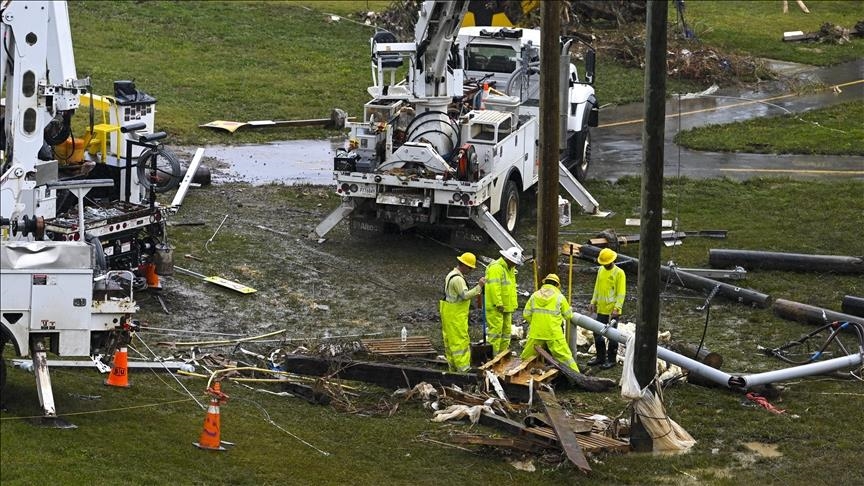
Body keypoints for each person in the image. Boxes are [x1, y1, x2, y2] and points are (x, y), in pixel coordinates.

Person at [520, 273, 579, 372]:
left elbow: (526, 314)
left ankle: (520, 372)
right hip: (553, 333)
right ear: (556, 285)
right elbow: (568, 315)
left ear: (545, 282)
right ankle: (576, 377)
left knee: (527, 356)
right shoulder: (559, 297)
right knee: (565, 357)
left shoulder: (534, 295)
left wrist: (535, 323)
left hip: (536, 332)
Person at [439, 252, 485, 372]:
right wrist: (479, 286)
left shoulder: (451, 275)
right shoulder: (458, 279)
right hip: (456, 315)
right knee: (460, 342)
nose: (470, 270)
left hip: (449, 313)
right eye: (470, 267)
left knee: (450, 342)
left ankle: (453, 369)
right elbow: (465, 295)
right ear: (464, 265)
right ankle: (464, 370)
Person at [588, 248, 626, 369]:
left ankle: (611, 359)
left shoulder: (619, 273)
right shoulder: (601, 270)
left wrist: (617, 308)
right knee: (597, 333)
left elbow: (621, 293)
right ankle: (600, 357)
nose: (604, 265)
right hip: (601, 309)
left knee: (612, 336)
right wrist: (593, 302)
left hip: (612, 311)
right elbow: (597, 287)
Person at [484, 246, 522, 355]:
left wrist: (512, 305)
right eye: (513, 262)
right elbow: (494, 287)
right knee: (495, 333)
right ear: (508, 259)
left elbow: (510, 288)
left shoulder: (510, 269)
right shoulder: (496, 268)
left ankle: (502, 355)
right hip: (496, 307)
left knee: (506, 333)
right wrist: (498, 303)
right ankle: (492, 356)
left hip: (507, 307)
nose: (515, 264)